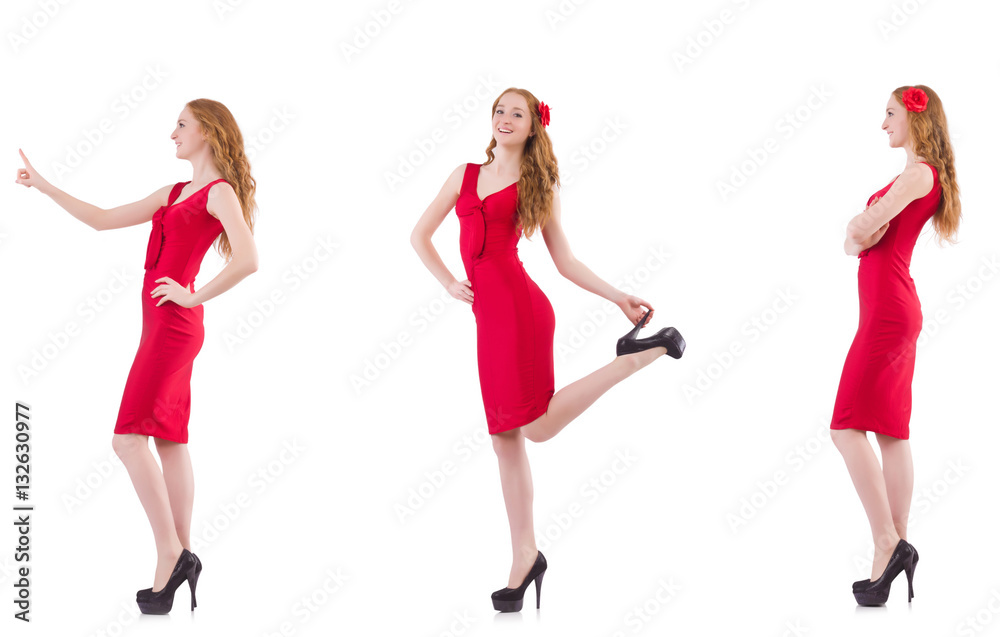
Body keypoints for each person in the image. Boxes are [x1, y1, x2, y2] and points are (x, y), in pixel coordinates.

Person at [410, 87, 684, 612]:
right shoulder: (464, 174)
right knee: (503, 439)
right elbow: (419, 234)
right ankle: (524, 556)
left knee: (535, 426)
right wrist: (448, 282)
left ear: (534, 127)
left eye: (518, 113)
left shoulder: (539, 184)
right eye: (499, 110)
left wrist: (618, 296)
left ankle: (637, 356)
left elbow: (566, 262)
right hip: (486, 318)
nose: (505, 118)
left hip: (521, 312)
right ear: (489, 120)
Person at [15, 98, 259, 614]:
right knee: (168, 439)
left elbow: (250, 259)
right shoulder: (174, 193)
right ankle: (182, 553)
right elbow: (103, 220)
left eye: (181, 125)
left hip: (174, 326)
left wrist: (193, 295)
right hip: (162, 327)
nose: (172, 134)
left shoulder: (218, 194)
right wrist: (44, 185)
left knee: (127, 439)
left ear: (208, 133)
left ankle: (170, 551)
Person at [831, 85, 961, 606]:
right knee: (888, 431)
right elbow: (853, 241)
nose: (882, 124)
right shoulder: (915, 176)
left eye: (889, 114)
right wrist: (858, 232)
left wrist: (859, 228)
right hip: (891, 310)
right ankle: (892, 551)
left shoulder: (917, 174)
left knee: (845, 427)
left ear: (914, 117)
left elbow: (859, 230)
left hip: (888, 313)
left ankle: (888, 541)